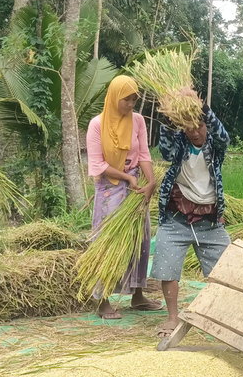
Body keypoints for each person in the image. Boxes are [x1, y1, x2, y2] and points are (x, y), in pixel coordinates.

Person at [151, 87, 231, 339]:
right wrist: (168, 114)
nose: (195, 132)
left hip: (209, 219)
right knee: (167, 268)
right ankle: (173, 318)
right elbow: (165, 149)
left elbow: (222, 135)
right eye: (189, 127)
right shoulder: (179, 145)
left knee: (227, 269)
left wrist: (202, 107)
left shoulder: (215, 145)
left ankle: (219, 316)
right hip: (177, 217)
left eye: (200, 126)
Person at [86, 76, 161, 319]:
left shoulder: (137, 121)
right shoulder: (97, 124)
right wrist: (128, 178)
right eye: (126, 99)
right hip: (111, 187)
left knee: (141, 239)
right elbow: (98, 164)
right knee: (109, 241)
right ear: (114, 97)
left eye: (133, 100)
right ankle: (102, 299)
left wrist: (151, 182)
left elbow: (144, 154)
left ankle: (138, 295)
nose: (130, 104)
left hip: (136, 186)